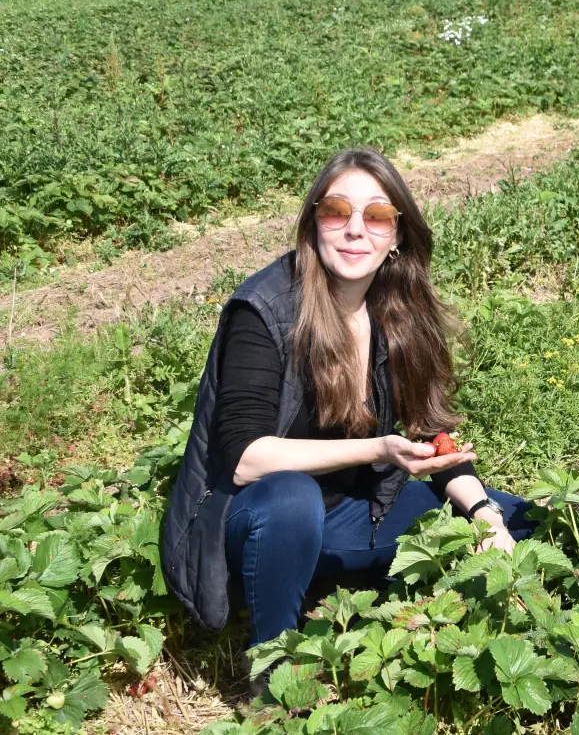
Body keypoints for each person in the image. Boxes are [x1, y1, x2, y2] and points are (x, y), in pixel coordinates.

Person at [161, 147, 531, 693]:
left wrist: (483, 512)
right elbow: (245, 460)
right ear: (314, 221)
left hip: (354, 508)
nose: (355, 229)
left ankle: (355, 594)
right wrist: (379, 449)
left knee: (522, 522)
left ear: (397, 235)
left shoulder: (397, 308)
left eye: (377, 216)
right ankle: (277, 677)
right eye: (337, 210)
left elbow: (431, 430)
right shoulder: (263, 308)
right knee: (291, 499)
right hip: (254, 520)